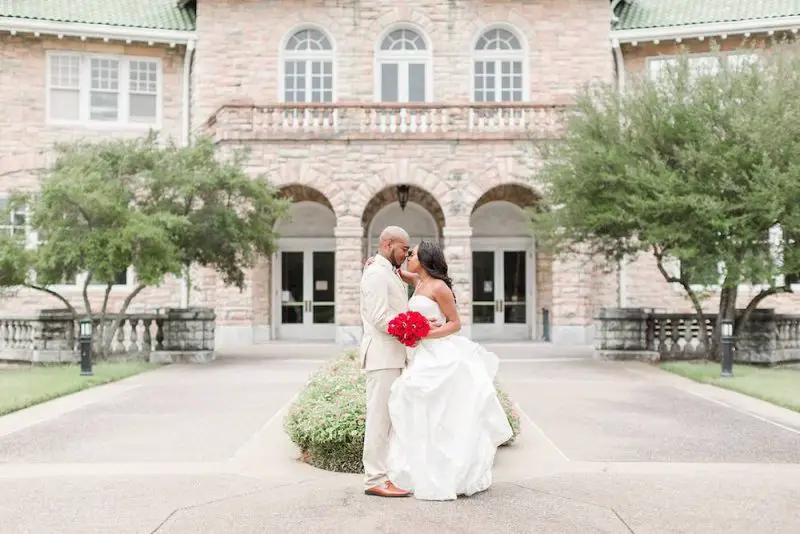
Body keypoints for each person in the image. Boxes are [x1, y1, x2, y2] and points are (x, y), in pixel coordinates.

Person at [384, 240, 514, 501]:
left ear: (425, 258)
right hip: (420, 355)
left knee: (440, 412)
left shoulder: (440, 287)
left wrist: (426, 333)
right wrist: (378, 264)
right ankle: (418, 465)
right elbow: (395, 271)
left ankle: (445, 470)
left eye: (413, 254)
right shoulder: (418, 281)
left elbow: (455, 324)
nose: (409, 256)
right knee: (414, 405)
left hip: (439, 354)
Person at [359, 225, 428, 498]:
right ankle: (374, 479)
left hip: (394, 355)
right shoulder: (376, 273)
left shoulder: (387, 270)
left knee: (391, 419)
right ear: (388, 244)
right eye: (404, 249)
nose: (407, 254)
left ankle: (387, 473)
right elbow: (378, 318)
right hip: (382, 356)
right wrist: (415, 327)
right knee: (379, 420)